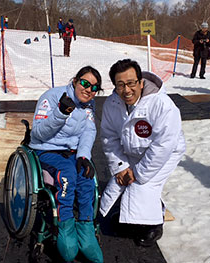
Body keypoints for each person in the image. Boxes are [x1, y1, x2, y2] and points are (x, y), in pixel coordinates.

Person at [99, 59, 186, 247]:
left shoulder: (161, 104)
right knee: (119, 183)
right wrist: (121, 167)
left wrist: (138, 173)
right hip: (134, 149)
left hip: (166, 152)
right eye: (120, 85)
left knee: (141, 185)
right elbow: (109, 138)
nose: (126, 90)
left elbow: (164, 145)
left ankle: (154, 225)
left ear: (140, 82)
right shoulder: (111, 104)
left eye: (131, 83)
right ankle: (130, 218)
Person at [29, 66, 103, 263]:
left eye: (94, 88)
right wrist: (60, 113)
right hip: (46, 148)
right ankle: (66, 225)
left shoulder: (89, 105)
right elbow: (37, 134)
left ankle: (86, 225)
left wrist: (84, 156)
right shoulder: (52, 97)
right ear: (75, 80)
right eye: (85, 83)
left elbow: (89, 131)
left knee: (86, 177)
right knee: (68, 174)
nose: (89, 90)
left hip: (71, 152)